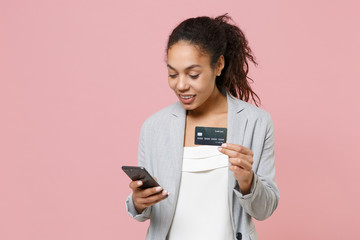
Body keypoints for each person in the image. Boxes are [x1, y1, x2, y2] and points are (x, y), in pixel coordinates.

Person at [125, 13, 279, 240]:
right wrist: (138, 202)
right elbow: (143, 208)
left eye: (193, 74)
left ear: (218, 66)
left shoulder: (255, 122)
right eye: (172, 74)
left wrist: (248, 181)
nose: (181, 85)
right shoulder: (155, 127)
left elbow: (265, 210)